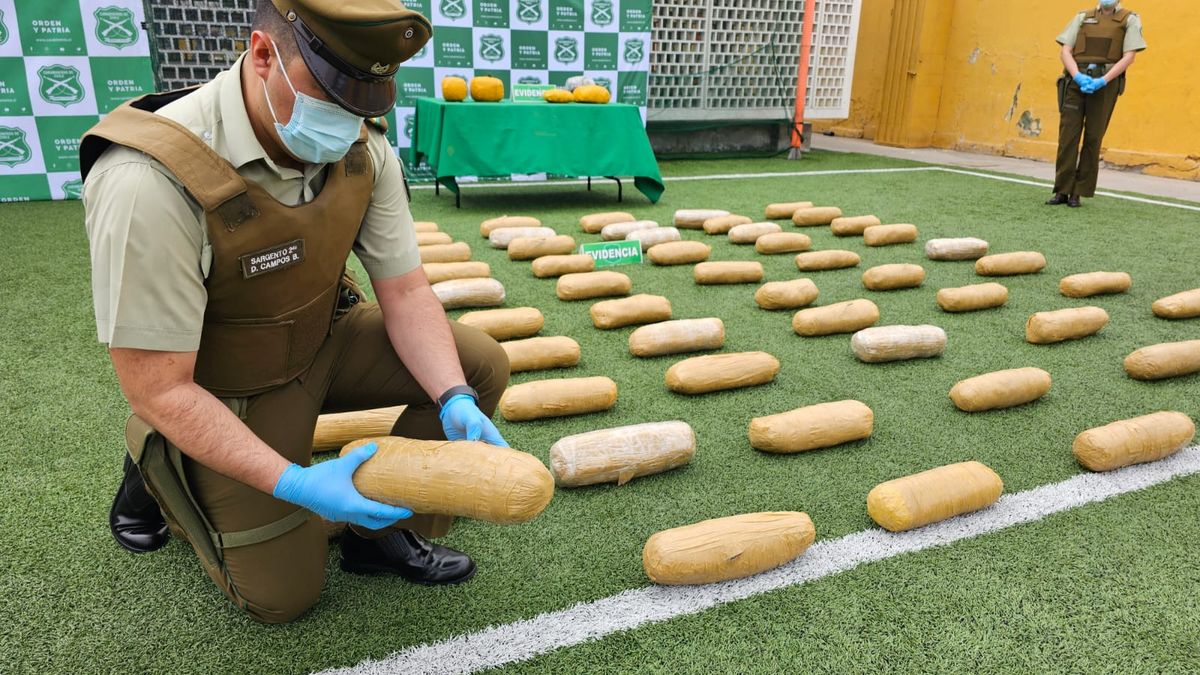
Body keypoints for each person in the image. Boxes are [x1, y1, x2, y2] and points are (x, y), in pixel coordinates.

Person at [81, 0, 511, 623]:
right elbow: (158, 384)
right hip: (226, 381)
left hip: (319, 338)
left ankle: (377, 537)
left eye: (365, 101)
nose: (347, 120)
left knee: (476, 367)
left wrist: (451, 397)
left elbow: (407, 291)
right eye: (332, 94)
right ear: (262, 55)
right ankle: (154, 461)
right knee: (284, 598)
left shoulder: (363, 147)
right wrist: (296, 483)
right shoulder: (148, 179)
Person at [1047, 1, 1146, 208]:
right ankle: (1062, 189)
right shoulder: (1082, 17)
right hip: (1076, 82)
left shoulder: (1130, 19)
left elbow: (1129, 57)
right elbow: (1066, 51)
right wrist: (1077, 76)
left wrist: (1104, 80)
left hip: (1105, 84)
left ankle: (1078, 192)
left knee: (1093, 137)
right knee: (1067, 136)